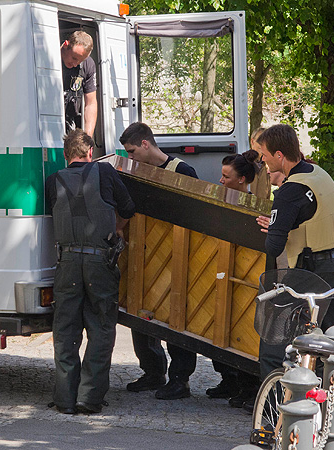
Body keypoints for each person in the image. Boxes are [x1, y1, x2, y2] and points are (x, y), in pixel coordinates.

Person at [45, 129, 135, 414]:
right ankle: (89, 397)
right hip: (100, 261)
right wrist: (116, 225)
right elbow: (130, 208)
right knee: (101, 328)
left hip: (67, 261)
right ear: (90, 153)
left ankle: (64, 399)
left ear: (66, 155)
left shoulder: (53, 180)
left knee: (65, 330)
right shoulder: (105, 173)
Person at [254, 124, 334, 379]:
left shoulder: (289, 191)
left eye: (264, 153)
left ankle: (275, 407)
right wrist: (283, 222)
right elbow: (313, 214)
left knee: (275, 340)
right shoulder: (318, 173)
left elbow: (273, 246)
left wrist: (276, 225)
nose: (262, 159)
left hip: (312, 271)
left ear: (279, 155)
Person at [119, 122, 197, 400]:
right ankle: (153, 373)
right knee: (139, 316)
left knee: (176, 319)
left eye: (131, 151)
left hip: (175, 256)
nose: (130, 157)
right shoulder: (135, 170)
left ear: (145, 144)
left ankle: (180, 380)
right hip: (144, 254)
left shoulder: (182, 171)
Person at [207, 150, 262, 408]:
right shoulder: (224, 200)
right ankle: (228, 379)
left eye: (226, 177)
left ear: (242, 180)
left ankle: (248, 387)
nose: (221, 180)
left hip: (244, 278)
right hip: (221, 272)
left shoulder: (254, 207)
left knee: (240, 332)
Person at [61, 31, 97, 137]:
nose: (75, 64)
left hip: (70, 123)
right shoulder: (49, 57)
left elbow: (91, 103)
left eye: (81, 61)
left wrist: (88, 137)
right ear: (66, 45)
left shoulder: (88, 64)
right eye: (74, 58)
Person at [248, 128, 271, 199]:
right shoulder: (244, 163)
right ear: (252, 141)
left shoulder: (267, 167)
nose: (263, 145)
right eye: (260, 141)